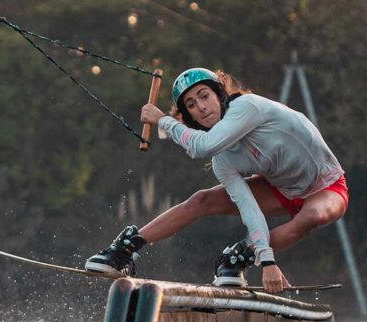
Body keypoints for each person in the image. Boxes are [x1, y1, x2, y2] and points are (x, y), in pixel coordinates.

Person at [84, 68, 348, 292]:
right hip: (280, 189)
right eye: (191, 105)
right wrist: (267, 260)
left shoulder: (247, 106)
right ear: (190, 117)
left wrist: (163, 121)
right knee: (202, 200)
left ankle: (239, 256)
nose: (201, 107)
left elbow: (202, 146)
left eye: (204, 96)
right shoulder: (224, 160)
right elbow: (249, 208)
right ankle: (124, 250)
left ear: (219, 94)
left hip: (326, 187)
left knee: (312, 216)